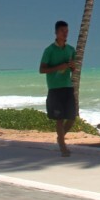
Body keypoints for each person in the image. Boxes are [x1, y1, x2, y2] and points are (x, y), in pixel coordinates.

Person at [40, 20, 77, 157]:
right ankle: (63, 146)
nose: (65, 33)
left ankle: (60, 137)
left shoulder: (70, 50)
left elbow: (73, 69)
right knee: (59, 119)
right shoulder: (49, 50)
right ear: (56, 32)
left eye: (67, 31)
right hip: (55, 88)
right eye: (63, 31)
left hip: (68, 86)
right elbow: (41, 69)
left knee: (72, 117)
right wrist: (58, 67)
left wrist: (73, 67)